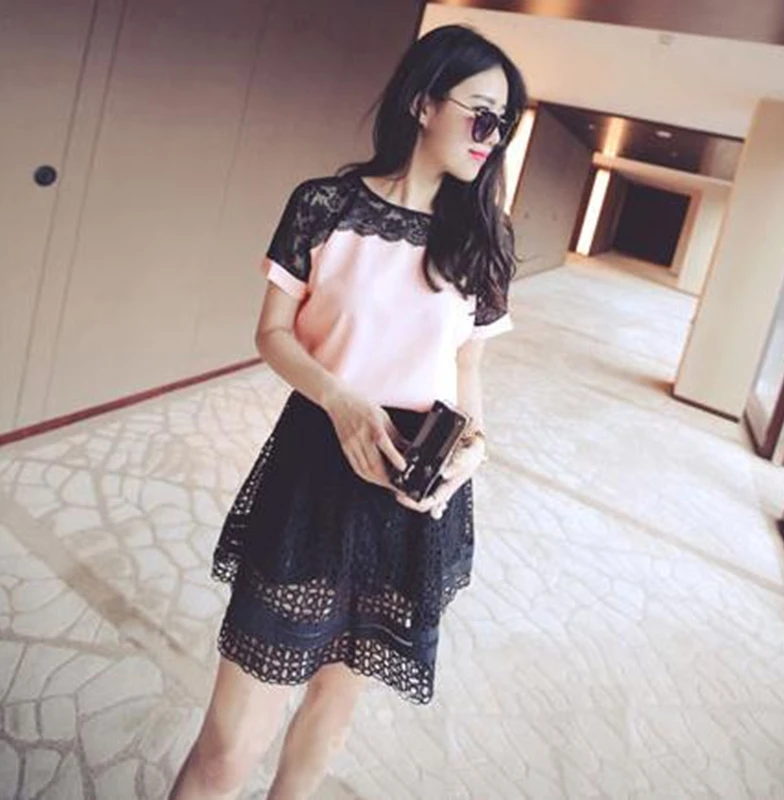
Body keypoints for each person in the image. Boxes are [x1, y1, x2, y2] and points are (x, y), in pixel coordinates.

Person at [169, 23, 528, 800]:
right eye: (481, 114)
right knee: (229, 745)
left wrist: (473, 448)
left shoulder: (484, 238)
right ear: (425, 103)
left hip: (413, 494)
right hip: (314, 472)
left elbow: (467, 369)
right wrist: (338, 399)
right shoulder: (325, 205)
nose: (492, 138)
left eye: (503, 124)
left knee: (333, 706)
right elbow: (272, 333)